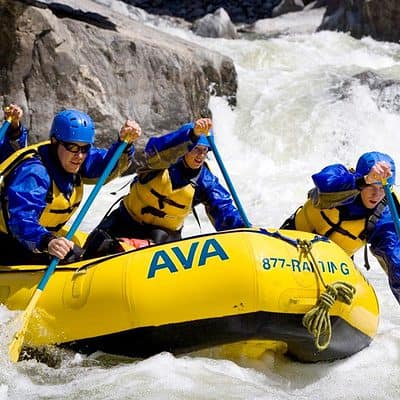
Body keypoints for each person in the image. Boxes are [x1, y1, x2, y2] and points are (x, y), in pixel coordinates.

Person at [84, 117, 246, 255]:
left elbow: (223, 208)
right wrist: (191, 135)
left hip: (162, 238)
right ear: (185, 148)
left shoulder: (205, 180)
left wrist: (243, 228)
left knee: (155, 240)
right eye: (196, 150)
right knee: (95, 243)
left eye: (205, 151)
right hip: (124, 222)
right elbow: (155, 148)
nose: (201, 156)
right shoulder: (158, 164)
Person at [0, 109, 141, 265]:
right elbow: (21, 219)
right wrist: (47, 241)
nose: (79, 155)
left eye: (85, 148)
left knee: (100, 245)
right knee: (73, 257)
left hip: (45, 234)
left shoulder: (72, 158)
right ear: (55, 142)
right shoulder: (34, 173)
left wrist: (124, 144)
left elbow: (106, 166)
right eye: (73, 147)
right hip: (13, 240)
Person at [280, 151, 400, 305]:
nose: (376, 195)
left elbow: (394, 257)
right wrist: (363, 181)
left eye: (382, 189)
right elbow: (325, 186)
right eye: (371, 186)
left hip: (333, 265)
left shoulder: (384, 215)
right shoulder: (339, 175)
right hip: (290, 244)